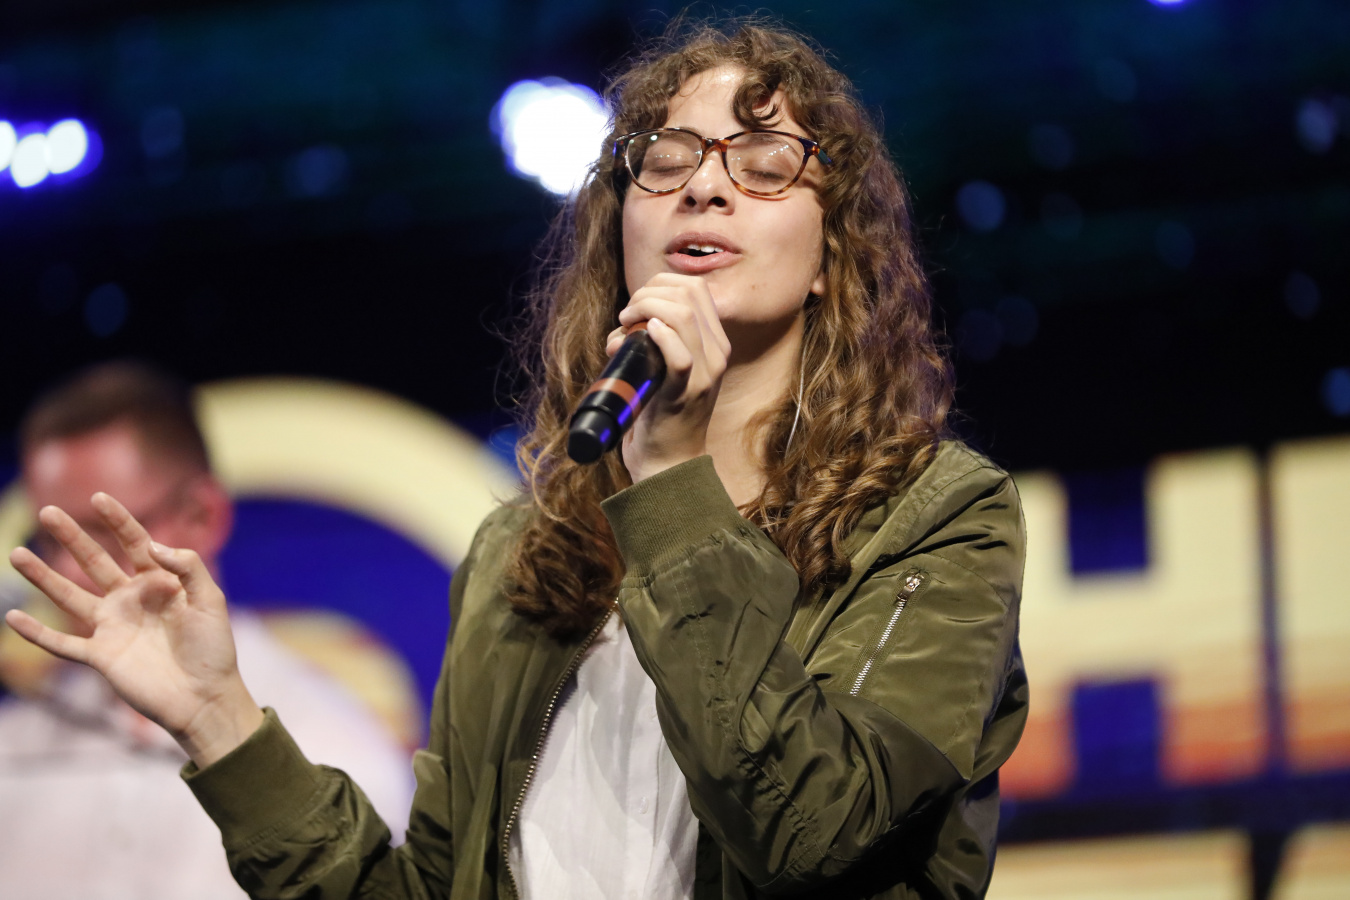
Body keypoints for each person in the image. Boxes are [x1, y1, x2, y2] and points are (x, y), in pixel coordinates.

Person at [5, 21, 1028, 900]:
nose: (705, 186)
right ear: (620, 230)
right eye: (666, 159)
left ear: (832, 255)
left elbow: (814, 834)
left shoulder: (936, 517)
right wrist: (219, 720)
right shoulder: (520, 555)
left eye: (763, 163)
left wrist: (674, 485)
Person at [0, 361, 416, 900]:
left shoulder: (332, 752)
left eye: (102, 532)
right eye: (52, 539)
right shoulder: (14, 748)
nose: (69, 570)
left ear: (204, 516)